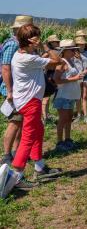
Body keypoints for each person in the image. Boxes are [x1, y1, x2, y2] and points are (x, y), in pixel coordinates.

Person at [9, 24, 63, 190]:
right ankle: (17, 175)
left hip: (28, 100)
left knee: (38, 130)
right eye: (37, 38)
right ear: (30, 41)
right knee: (28, 137)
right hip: (30, 101)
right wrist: (45, 46)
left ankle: (39, 167)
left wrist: (37, 48)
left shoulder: (22, 54)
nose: (39, 40)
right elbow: (57, 60)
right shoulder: (29, 58)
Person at [0, 15, 33, 166]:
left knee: (21, 122)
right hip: (14, 91)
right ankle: (6, 155)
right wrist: (9, 91)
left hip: (22, 90)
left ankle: (16, 151)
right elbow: (5, 68)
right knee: (14, 122)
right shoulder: (13, 44)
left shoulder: (22, 44)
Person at [53, 39, 83, 151]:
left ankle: (68, 139)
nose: (74, 52)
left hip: (70, 95)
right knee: (63, 119)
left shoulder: (71, 61)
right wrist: (73, 79)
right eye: (71, 50)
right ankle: (59, 142)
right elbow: (56, 80)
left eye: (74, 49)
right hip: (63, 96)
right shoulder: (62, 63)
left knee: (69, 118)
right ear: (64, 51)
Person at [74, 36, 87, 123]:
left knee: (85, 96)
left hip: (86, 76)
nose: (81, 46)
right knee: (78, 96)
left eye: (83, 44)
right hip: (77, 77)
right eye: (79, 44)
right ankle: (79, 115)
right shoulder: (73, 53)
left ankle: (85, 115)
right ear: (76, 45)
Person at [41, 34, 60, 124]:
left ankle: (47, 114)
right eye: (55, 42)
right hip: (48, 74)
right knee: (46, 97)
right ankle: (44, 116)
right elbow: (40, 61)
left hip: (54, 73)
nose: (57, 43)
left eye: (58, 41)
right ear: (50, 43)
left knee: (49, 95)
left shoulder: (57, 51)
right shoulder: (47, 53)